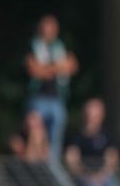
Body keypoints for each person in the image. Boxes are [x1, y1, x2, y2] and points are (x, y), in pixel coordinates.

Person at [25, 14, 79, 159]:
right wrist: (59, 67)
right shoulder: (33, 45)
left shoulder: (61, 46)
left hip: (57, 99)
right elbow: (35, 71)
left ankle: (51, 168)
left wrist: (46, 69)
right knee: (36, 136)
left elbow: (72, 66)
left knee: (54, 141)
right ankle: (34, 169)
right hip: (38, 98)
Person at [7, 110, 62, 186]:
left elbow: (45, 158)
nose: (34, 127)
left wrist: (42, 140)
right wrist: (33, 139)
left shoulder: (43, 137)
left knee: (45, 168)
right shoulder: (16, 138)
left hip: (37, 170)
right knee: (24, 166)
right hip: (21, 171)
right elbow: (29, 158)